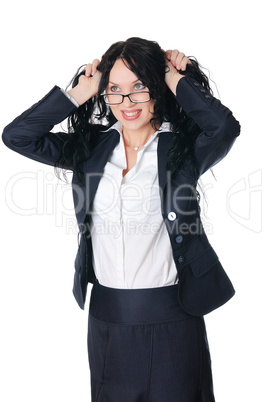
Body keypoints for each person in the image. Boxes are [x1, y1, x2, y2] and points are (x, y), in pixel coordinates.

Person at [2, 37, 240, 401]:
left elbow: (223, 128)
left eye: (140, 87)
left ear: (157, 90)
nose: (126, 102)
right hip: (108, 321)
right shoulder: (90, 150)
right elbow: (17, 136)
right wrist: (79, 92)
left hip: (174, 318)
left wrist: (175, 78)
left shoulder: (182, 150)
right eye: (115, 89)